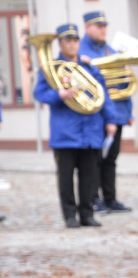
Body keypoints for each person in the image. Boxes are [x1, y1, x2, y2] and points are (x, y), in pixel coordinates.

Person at [33, 24, 116, 228]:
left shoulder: (89, 68)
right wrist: (58, 95)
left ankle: (87, 214)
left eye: (75, 41)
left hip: (90, 130)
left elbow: (103, 95)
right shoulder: (51, 69)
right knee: (66, 178)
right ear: (60, 44)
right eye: (68, 41)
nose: (73, 45)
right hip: (65, 132)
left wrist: (111, 120)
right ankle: (70, 215)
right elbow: (39, 94)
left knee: (89, 176)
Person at [79, 11, 133, 214]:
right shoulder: (82, 52)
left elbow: (123, 84)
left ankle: (110, 199)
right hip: (95, 115)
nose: (103, 29)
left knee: (110, 159)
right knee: (93, 160)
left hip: (116, 113)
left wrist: (129, 112)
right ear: (87, 28)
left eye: (104, 26)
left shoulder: (110, 51)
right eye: (98, 26)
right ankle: (94, 198)